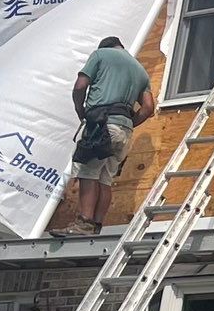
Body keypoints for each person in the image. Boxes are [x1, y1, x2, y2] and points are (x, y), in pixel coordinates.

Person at [62, 34, 154, 235]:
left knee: (88, 171)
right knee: (104, 178)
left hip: (101, 125)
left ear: (106, 47)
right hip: (124, 131)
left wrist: (81, 111)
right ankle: (95, 225)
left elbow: (80, 86)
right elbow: (148, 108)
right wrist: (129, 123)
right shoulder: (140, 71)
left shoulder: (100, 55)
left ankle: (84, 222)